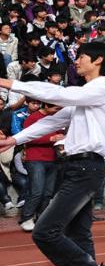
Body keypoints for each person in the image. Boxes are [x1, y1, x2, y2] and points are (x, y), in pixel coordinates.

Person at [0, 41, 105, 266]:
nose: (76, 61)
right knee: (79, 234)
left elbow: (60, 94)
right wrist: (14, 140)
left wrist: (9, 83)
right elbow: (51, 122)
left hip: (86, 168)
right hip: (78, 167)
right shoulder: (85, 97)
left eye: (82, 57)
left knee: (45, 231)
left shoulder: (102, 89)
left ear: (98, 61)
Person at [16, 99, 57, 232]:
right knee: (37, 190)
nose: (58, 111)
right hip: (35, 159)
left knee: (48, 193)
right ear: (47, 105)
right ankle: (26, 217)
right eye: (56, 108)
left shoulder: (55, 118)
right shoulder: (33, 118)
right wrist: (50, 139)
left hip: (52, 158)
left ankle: (41, 219)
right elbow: (26, 137)